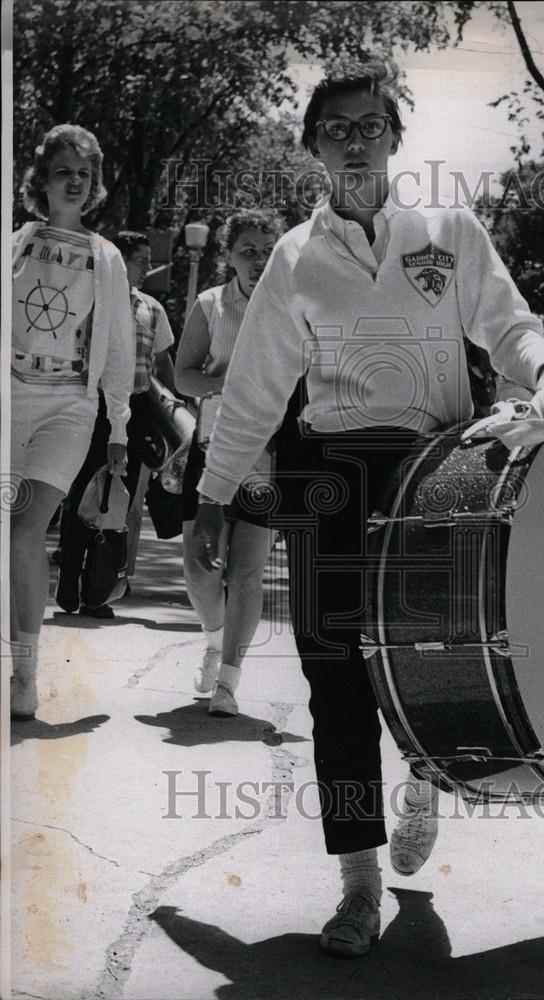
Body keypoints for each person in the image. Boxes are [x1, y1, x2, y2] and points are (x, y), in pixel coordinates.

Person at [190, 60, 544, 957]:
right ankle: (359, 884)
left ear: (395, 135)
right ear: (313, 146)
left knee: (430, 658)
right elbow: (254, 390)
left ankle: (422, 780)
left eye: (371, 123)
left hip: (433, 476)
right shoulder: (293, 257)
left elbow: (506, 322)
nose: (355, 139)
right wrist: (212, 498)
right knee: (334, 675)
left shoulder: (446, 229)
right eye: (337, 127)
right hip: (328, 473)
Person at [9, 124, 134, 718]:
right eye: (65, 172)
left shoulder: (106, 258)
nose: (76, 182)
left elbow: (117, 347)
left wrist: (118, 427)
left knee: (26, 527)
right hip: (8, 402)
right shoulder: (15, 245)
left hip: (68, 410)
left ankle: (24, 675)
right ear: (42, 182)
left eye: (85, 174)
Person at [176, 208, 295, 716]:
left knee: (247, 572)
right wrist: (230, 386)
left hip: (266, 456)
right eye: (247, 251)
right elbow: (183, 376)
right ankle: (214, 636)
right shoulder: (210, 305)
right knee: (199, 566)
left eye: (268, 251)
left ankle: (228, 679)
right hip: (212, 448)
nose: (257, 261)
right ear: (228, 255)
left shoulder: (294, 307)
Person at [55, 230, 176, 618]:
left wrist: (176, 408)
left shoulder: (151, 309)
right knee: (81, 494)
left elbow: (164, 362)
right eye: (140, 259)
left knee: (117, 502)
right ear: (121, 262)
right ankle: (69, 582)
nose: (146, 268)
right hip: (91, 407)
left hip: (136, 410)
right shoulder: (89, 300)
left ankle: (98, 590)